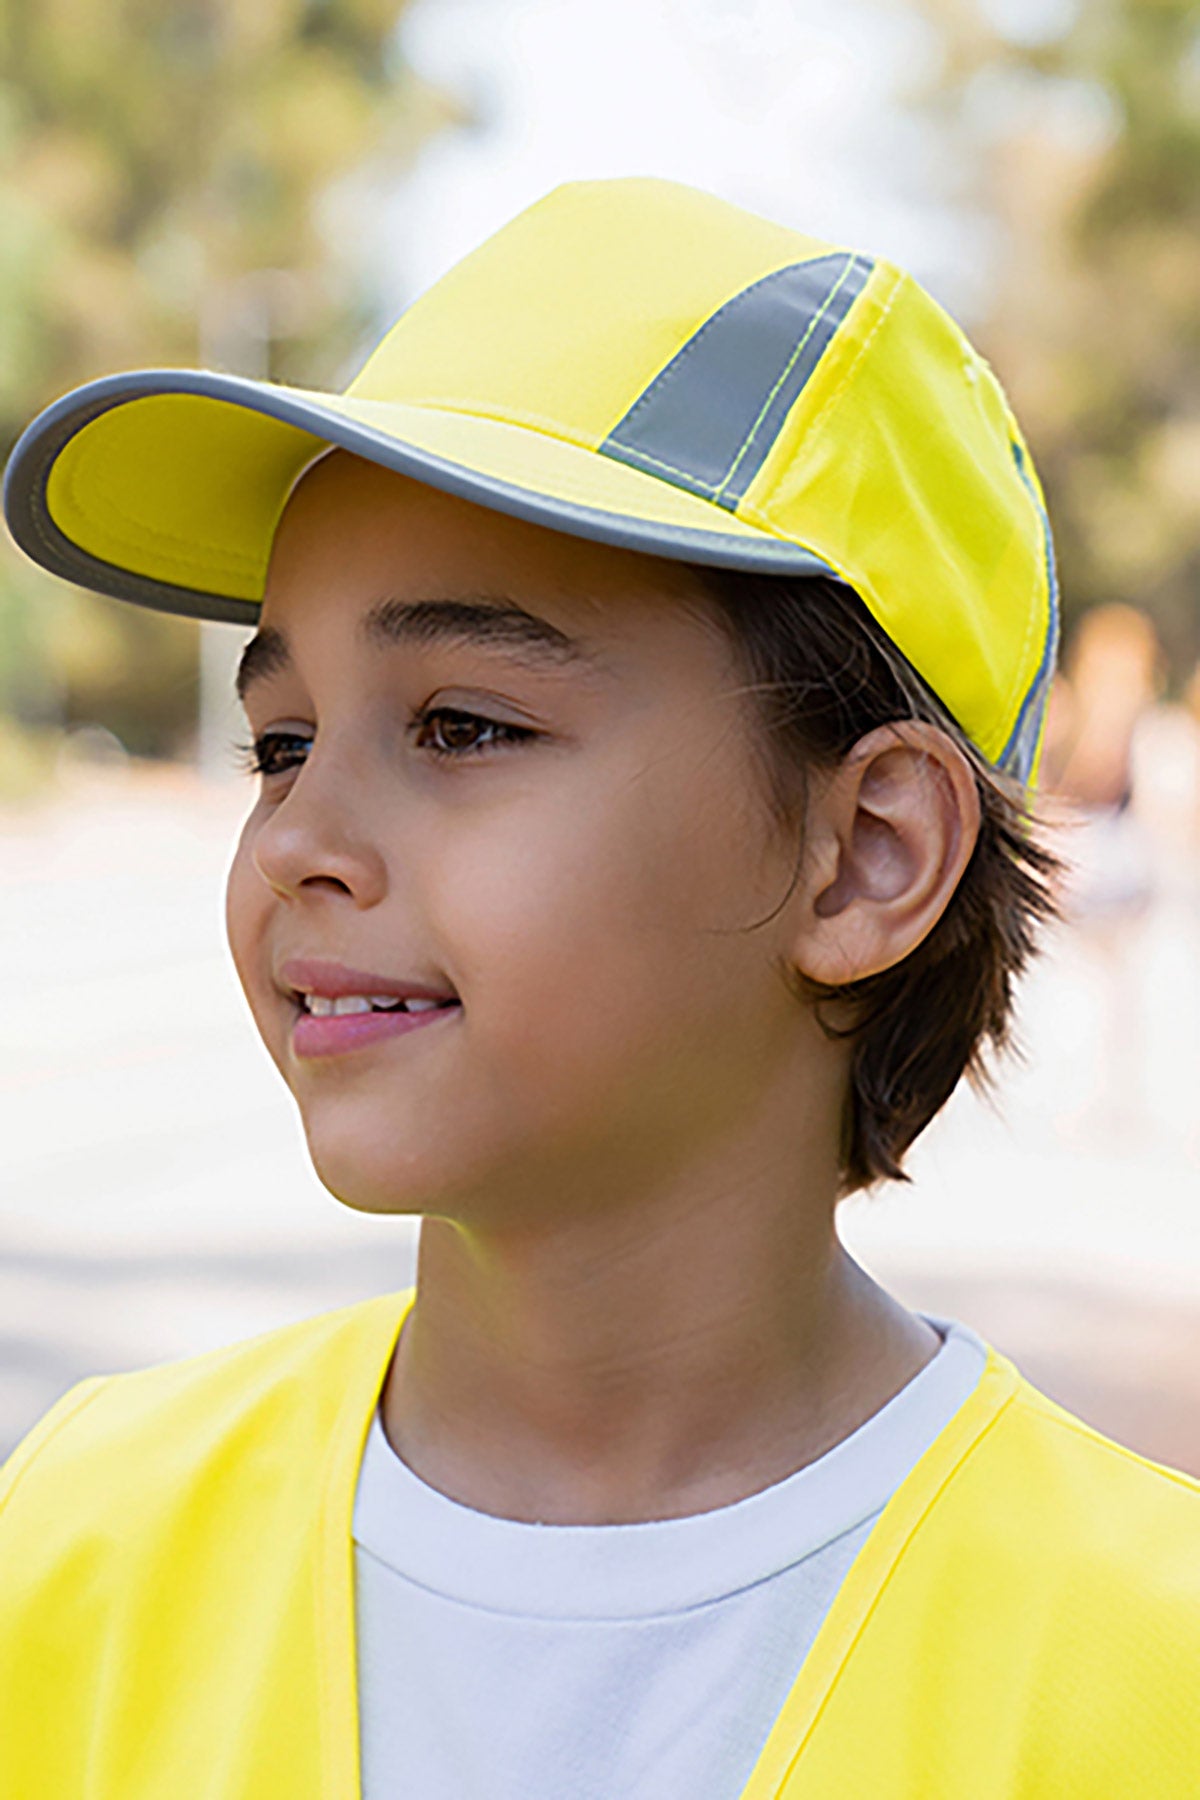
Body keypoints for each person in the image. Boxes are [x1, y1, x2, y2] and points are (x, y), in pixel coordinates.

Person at [1, 178, 1197, 1799]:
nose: (300, 837)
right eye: (281, 743)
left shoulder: (1145, 1669)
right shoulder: (77, 1538)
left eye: (463, 726)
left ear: (866, 856)